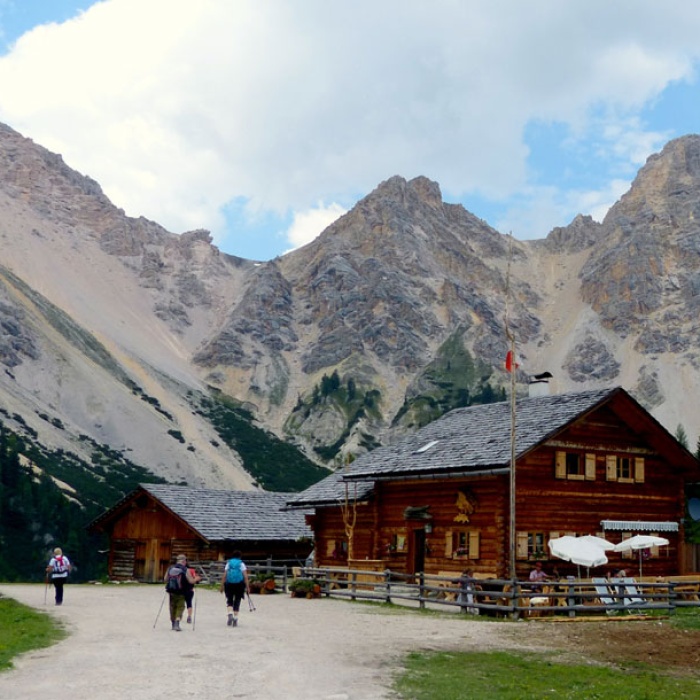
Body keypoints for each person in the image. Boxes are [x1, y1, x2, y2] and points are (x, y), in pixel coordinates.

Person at [164, 554, 196, 631]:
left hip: (171, 591)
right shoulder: (185, 569)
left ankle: (173, 623)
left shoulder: (170, 568)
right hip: (182, 591)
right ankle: (177, 623)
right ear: (184, 561)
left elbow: (165, 579)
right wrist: (196, 579)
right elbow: (191, 581)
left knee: (172, 606)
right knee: (180, 607)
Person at [220, 550, 250, 627]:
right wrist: (247, 587)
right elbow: (245, 576)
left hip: (229, 584)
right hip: (239, 584)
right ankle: (235, 618)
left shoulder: (229, 563)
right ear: (240, 556)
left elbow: (224, 575)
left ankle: (230, 614)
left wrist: (222, 585)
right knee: (237, 600)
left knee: (229, 600)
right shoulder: (241, 564)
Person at [183, 559, 202, 624]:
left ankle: (179, 615)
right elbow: (196, 580)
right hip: (190, 589)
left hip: (181, 590)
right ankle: (189, 616)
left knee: (181, 603)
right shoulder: (192, 570)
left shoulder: (180, 570)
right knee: (189, 603)